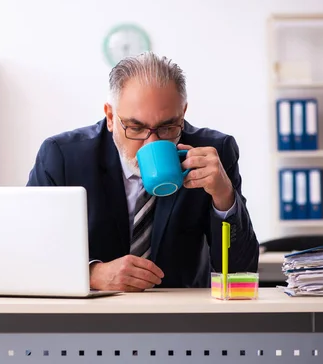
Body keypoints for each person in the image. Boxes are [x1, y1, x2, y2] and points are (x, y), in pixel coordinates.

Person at [26, 52, 259, 291]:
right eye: (135, 127)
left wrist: (224, 197)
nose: (151, 143)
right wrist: (91, 274)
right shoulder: (62, 157)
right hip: (90, 317)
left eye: (168, 127)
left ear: (183, 114)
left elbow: (241, 273)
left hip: (183, 315)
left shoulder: (214, 153)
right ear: (110, 116)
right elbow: (29, 253)